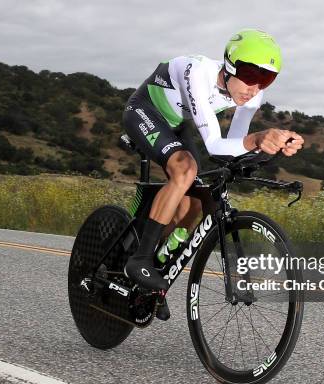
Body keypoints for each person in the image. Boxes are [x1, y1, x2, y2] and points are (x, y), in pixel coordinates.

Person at [122, 29, 304, 318]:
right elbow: (215, 144)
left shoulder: (251, 97)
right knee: (185, 170)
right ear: (230, 65)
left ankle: (154, 270)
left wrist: (273, 147)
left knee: (196, 201)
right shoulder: (198, 72)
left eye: (266, 79)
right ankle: (140, 260)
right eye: (250, 74)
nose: (254, 88)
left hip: (177, 124)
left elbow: (232, 150)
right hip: (144, 110)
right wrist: (258, 138)